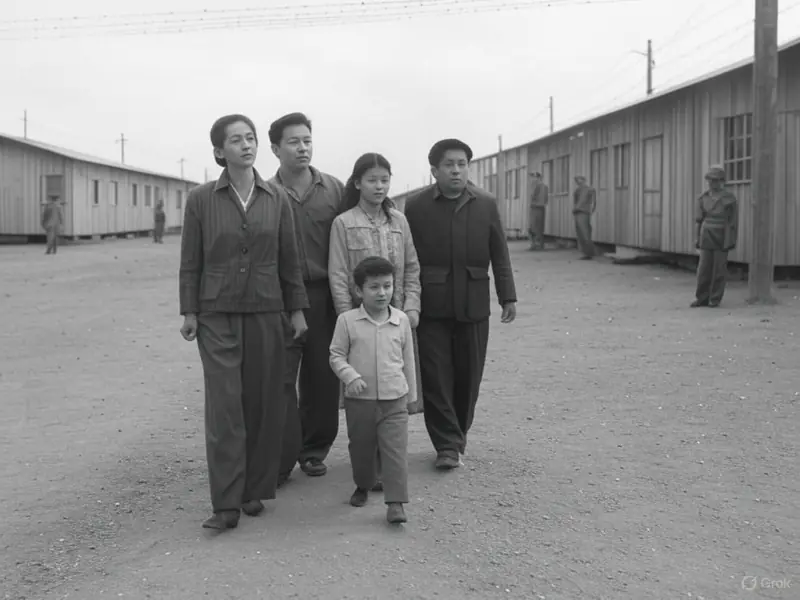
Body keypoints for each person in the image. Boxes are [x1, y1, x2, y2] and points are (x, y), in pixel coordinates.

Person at [179, 114, 309, 531]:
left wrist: (297, 310)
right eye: (235, 140)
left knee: (261, 402)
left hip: (266, 310)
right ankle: (226, 504)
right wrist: (189, 312)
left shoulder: (277, 197)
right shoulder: (201, 199)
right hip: (216, 313)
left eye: (250, 138)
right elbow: (190, 262)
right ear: (220, 151)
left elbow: (290, 259)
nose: (246, 145)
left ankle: (253, 489)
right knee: (225, 408)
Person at [404, 138, 517, 470]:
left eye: (462, 163)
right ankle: (447, 445)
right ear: (434, 170)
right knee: (436, 376)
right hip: (432, 305)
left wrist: (507, 295)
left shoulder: (485, 203)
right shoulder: (417, 206)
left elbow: (499, 251)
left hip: (473, 302)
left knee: (469, 375)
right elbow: (408, 258)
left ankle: (457, 433)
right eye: (449, 164)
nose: (456, 170)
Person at [268, 112, 346, 482]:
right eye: (294, 142)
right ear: (275, 149)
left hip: (323, 296)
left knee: (322, 376)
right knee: (280, 379)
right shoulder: (265, 194)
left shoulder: (334, 189)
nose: (303, 148)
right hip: (279, 299)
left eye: (307, 141)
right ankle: (280, 456)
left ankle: (314, 450)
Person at [328, 152, 422, 411]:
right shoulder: (343, 223)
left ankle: (391, 437)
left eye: (384, 180)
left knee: (395, 380)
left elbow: (412, 266)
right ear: (357, 183)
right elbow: (338, 273)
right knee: (362, 383)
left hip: (395, 316)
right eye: (372, 180)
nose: (379, 186)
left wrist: (412, 307)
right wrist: (346, 317)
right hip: (359, 317)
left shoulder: (399, 221)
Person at [329, 256, 416, 524]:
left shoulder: (401, 320)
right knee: (362, 449)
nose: (382, 293)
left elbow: (409, 360)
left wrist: (412, 397)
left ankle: (396, 503)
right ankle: (364, 484)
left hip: (394, 399)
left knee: (395, 451)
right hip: (360, 401)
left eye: (388, 286)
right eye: (374, 287)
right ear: (358, 291)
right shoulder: (347, 321)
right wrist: (350, 376)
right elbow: (336, 355)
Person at [692, 165, 738, 308]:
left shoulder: (729, 198)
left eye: (717, 180)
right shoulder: (703, 198)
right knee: (703, 268)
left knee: (719, 269)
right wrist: (697, 238)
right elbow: (698, 221)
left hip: (722, 234)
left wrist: (731, 240)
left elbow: (733, 221)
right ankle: (701, 298)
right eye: (711, 180)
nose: (713, 183)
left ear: (722, 181)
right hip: (706, 233)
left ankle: (715, 298)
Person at [572, 175, 597, 260]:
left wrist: (591, 211)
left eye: (580, 179)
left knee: (585, 232)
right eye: (576, 180)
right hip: (577, 212)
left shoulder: (590, 189)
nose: (578, 181)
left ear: (584, 180)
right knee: (580, 234)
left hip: (584, 212)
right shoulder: (577, 191)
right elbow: (575, 201)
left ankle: (589, 252)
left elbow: (594, 201)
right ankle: (585, 252)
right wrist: (575, 209)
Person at [528, 171, 549, 250]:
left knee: (536, 226)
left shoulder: (539, 187)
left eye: (534, 177)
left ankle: (537, 244)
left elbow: (536, 197)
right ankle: (536, 244)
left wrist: (535, 202)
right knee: (536, 226)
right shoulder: (540, 186)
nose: (532, 179)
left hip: (537, 207)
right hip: (538, 207)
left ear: (538, 178)